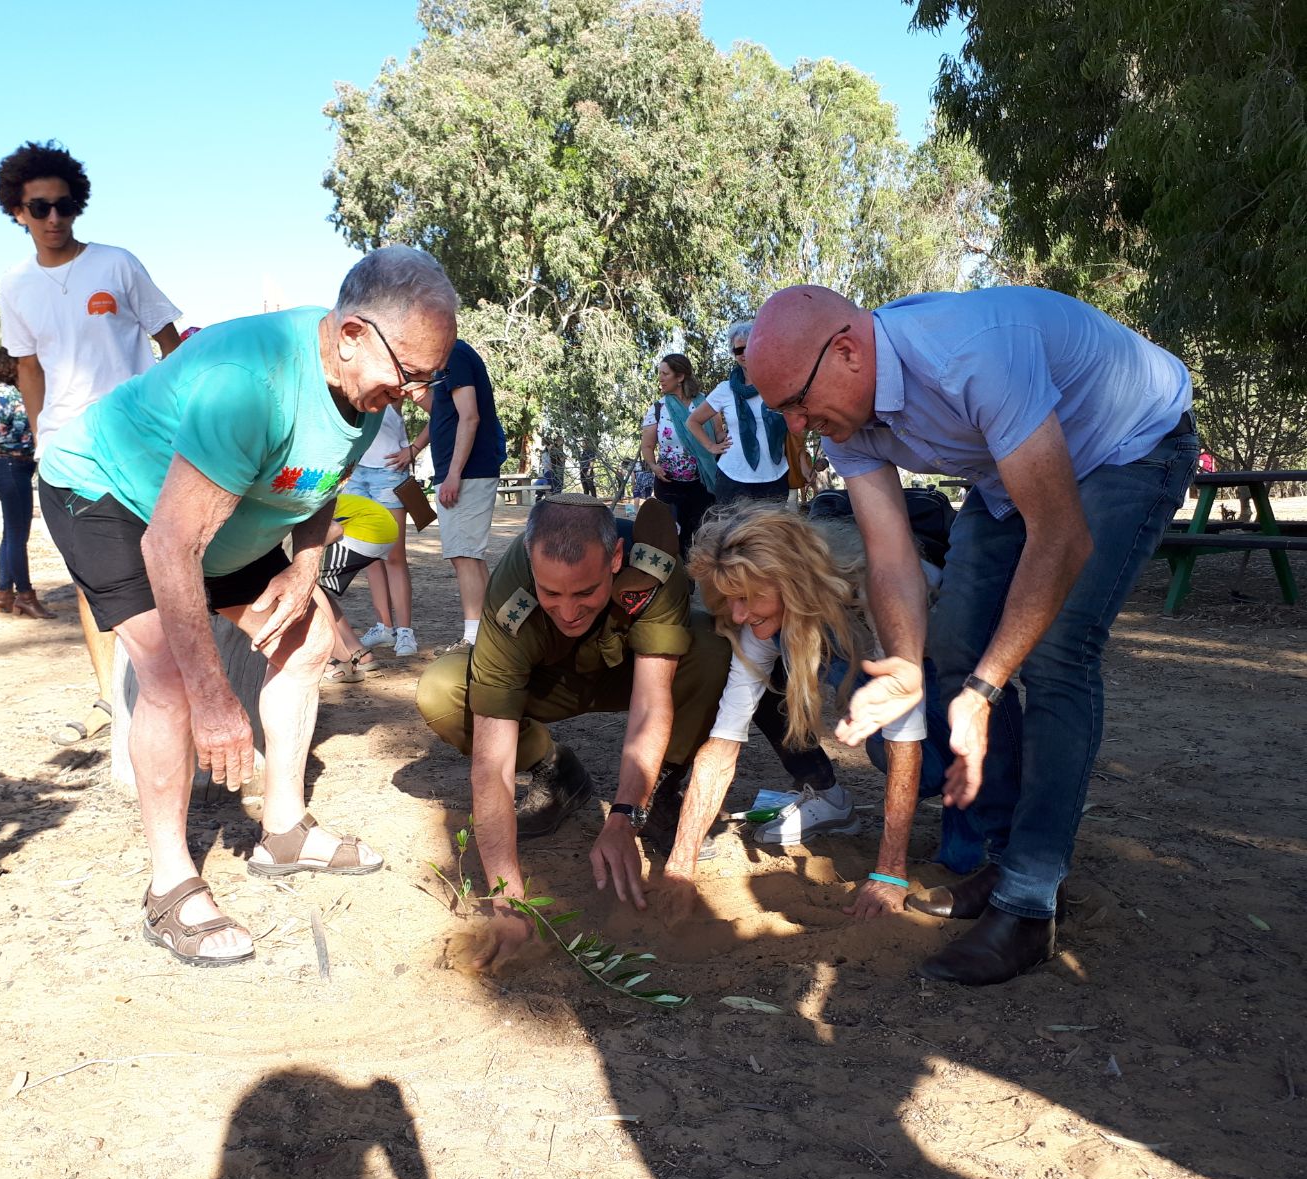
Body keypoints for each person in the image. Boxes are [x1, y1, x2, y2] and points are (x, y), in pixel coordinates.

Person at [746, 283, 1197, 985]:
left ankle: (1026, 903)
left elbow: (1060, 536)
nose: (799, 428)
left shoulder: (970, 352)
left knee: (1055, 655)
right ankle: (1002, 855)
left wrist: (985, 690)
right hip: (1007, 470)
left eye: (798, 405)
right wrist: (901, 665)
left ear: (845, 351)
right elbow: (892, 558)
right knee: (949, 648)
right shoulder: (849, 419)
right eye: (784, 415)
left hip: (1127, 449)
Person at [37, 245, 458, 966]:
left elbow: (319, 485)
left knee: (309, 641)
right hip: (112, 498)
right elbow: (170, 546)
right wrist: (212, 696)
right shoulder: (249, 380)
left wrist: (303, 576)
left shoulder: (361, 389)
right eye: (410, 375)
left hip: (222, 512)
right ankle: (170, 887)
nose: (416, 395)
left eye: (429, 380)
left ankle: (285, 831)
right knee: (168, 680)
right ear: (351, 333)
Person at [415, 495, 732, 970]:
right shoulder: (509, 595)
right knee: (441, 690)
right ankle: (554, 770)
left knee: (712, 647)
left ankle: (665, 792)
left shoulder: (653, 569)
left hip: (626, 673)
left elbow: (650, 704)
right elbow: (491, 766)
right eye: (551, 593)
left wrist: (625, 814)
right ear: (530, 560)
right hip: (547, 684)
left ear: (616, 560)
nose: (567, 611)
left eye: (585, 592)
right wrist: (506, 899)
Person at [655, 504, 952, 925]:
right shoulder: (761, 616)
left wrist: (890, 873)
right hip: (843, 634)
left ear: (794, 581)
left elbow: (906, 734)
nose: (738, 614)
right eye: (731, 598)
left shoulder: (878, 591)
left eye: (749, 598)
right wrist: (681, 866)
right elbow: (724, 741)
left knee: (956, 837)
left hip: (942, 658)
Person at [0, 139, 183, 746]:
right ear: (17, 212)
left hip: (139, 440)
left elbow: (169, 339)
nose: (54, 218)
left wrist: (175, 415)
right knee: (91, 578)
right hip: (67, 448)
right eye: (40, 207)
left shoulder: (116, 264)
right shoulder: (16, 285)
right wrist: (44, 433)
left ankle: (181, 685)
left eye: (65, 205)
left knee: (168, 559)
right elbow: (28, 367)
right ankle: (111, 698)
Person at [405, 338, 508, 656]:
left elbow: (470, 416)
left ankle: (476, 640)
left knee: (465, 555)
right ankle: (492, 634)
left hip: (467, 472)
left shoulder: (454, 354)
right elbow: (443, 412)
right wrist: (418, 393)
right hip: (462, 471)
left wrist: (453, 473)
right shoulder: (447, 359)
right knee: (466, 555)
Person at [0, 347, 53, 620]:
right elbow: (1, 434)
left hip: (15, 467)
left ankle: (4, 594)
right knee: (17, 536)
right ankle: (25, 596)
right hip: (8, 465)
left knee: (12, 534)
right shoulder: (5, 394)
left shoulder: (10, 393)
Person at [687, 321, 790, 504]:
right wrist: (711, 447)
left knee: (772, 533)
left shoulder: (778, 385)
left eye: (749, 347)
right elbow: (692, 422)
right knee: (733, 532)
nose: (744, 354)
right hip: (733, 479)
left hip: (775, 476)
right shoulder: (725, 390)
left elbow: (795, 424)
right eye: (738, 350)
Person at [348, 406, 420, 657]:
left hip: (389, 469)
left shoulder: (397, 379)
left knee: (393, 556)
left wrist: (414, 448)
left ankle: (405, 632)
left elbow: (441, 408)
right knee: (369, 555)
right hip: (354, 470)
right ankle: (384, 627)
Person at [640, 353, 717, 560]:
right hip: (669, 486)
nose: (660, 378)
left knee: (700, 535)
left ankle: (694, 577)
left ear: (680, 376)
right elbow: (647, 446)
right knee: (672, 535)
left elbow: (719, 438)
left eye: (665, 374)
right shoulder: (658, 409)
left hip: (701, 486)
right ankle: (679, 582)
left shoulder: (706, 405)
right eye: (659, 374)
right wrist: (654, 466)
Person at [319, 493, 400, 683]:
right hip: (378, 527)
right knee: (310, 584)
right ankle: (359, 653)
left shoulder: (283, 504)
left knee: (302, 580)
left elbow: (335, 529)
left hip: (368, 529)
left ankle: (340, 661)